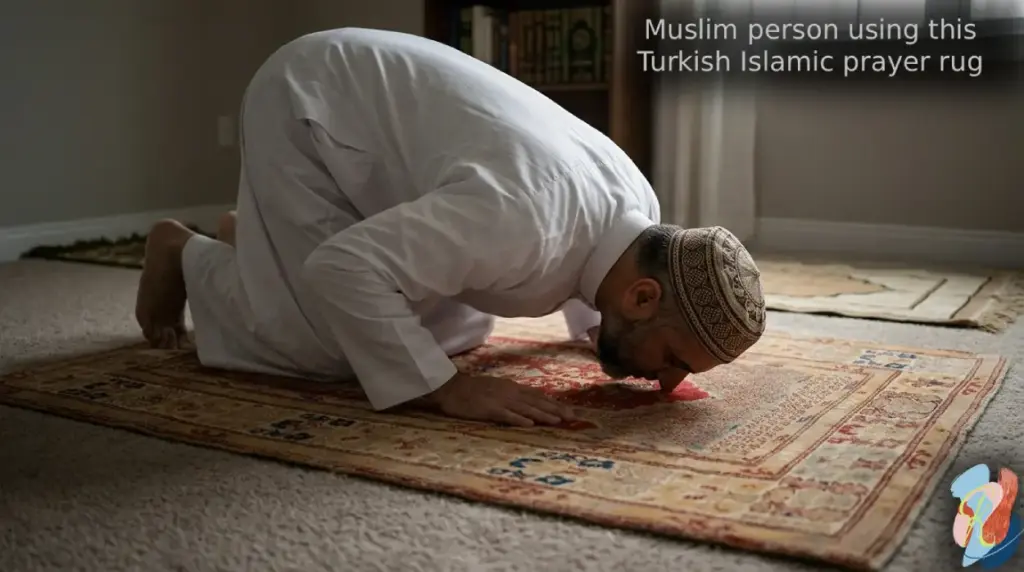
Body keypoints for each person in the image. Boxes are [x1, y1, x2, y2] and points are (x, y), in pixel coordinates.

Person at [135, 28, 767, 428]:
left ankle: (254, 237)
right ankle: (185, 253)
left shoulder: (639, 215)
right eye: (676, 359)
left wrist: (596, 335)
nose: (668, 382)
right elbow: (344, 267)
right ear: (643, 297)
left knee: (459, 323)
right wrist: (444, 391)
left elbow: (596, 266)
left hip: (383, 134)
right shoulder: (520, 221)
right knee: (326, 351)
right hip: (311, 105)